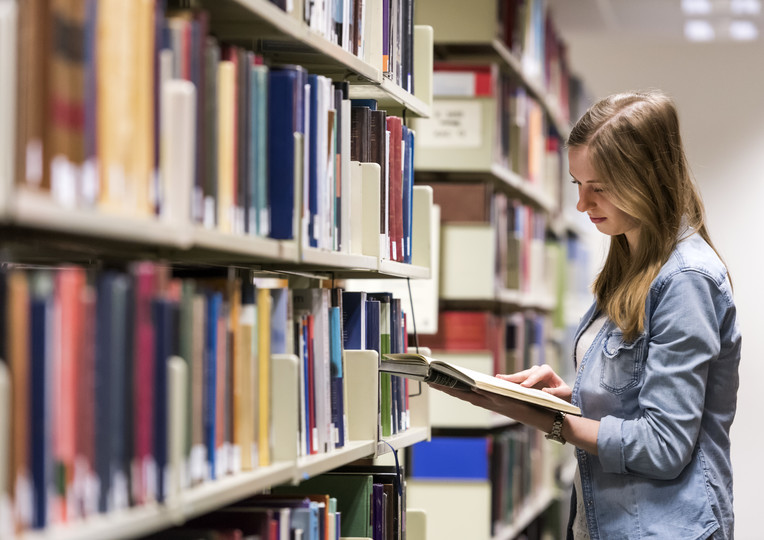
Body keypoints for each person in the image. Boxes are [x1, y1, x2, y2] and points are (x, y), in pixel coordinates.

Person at [433, 90, 741, 539]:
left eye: (598, 188)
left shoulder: (686, 280)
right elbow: (635, 395)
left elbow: (664, 445)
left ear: (646, 179)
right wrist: (567, 396)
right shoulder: (629, 267)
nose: (582, 204)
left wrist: (553, 422)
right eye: (578, 185)